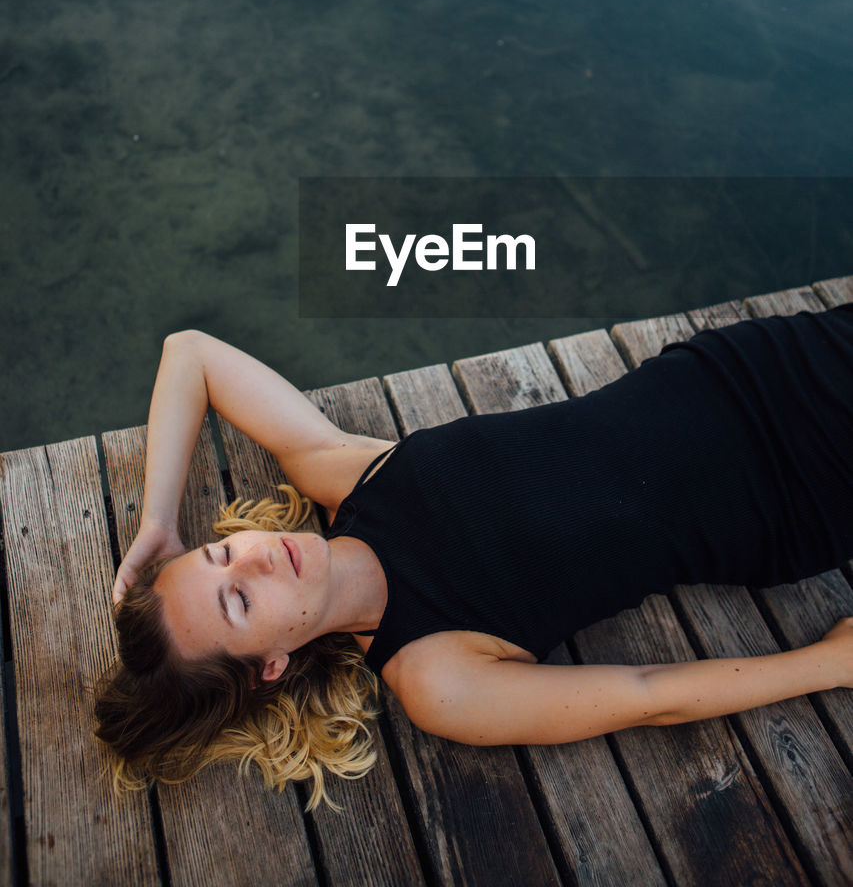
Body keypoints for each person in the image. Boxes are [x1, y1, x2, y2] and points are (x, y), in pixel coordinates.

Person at [95, 308, 853, 809]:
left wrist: (159, 521)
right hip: (805, 490)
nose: (255, 561)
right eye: (238, 602)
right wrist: (828, 664)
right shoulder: (436, 677)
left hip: (752, 366)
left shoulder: (344, 474)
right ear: (271, 665)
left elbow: (189, 352)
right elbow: (650, 690)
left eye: (223, 552)